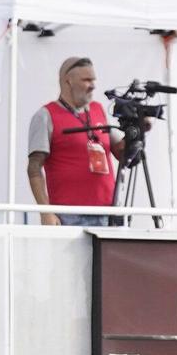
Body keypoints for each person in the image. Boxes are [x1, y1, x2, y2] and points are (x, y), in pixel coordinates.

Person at [27, 56, 122, 227]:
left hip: (107, 212)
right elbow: (34, 167)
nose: (93, 85)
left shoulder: (98, 109)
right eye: (86, 80)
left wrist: (138, 129)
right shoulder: (46, 115)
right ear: (68, 81)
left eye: (93, 80)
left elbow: (121, 153)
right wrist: (46, 212)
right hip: (68, 214)